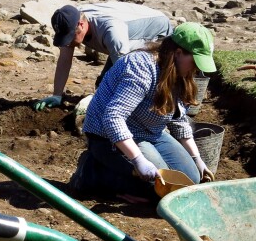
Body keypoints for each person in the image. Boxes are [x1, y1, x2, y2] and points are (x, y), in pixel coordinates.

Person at [71, 22, 217, 200]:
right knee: (157, 189)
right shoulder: (141, 67)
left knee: (190, 180)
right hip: (107, 137)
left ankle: (130, 174)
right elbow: (113, 118)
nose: (197, 68)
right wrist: (138, 160)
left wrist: (197, 159)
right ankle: (92, 171)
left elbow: (178, 119)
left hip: (150, 133)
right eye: (195, 61)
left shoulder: (179, 73)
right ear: (178, 53)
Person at [34, 2, 173, 110]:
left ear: (81, 25)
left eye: (70, 37)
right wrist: (57, 95)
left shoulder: (111, 30)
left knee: (147, 85)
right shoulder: (71, 18)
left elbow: (126, 72)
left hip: (156, 32)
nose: (68, 41)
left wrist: (98, 98)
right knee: (103, 87)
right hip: (124, 39)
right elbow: (64, 59)